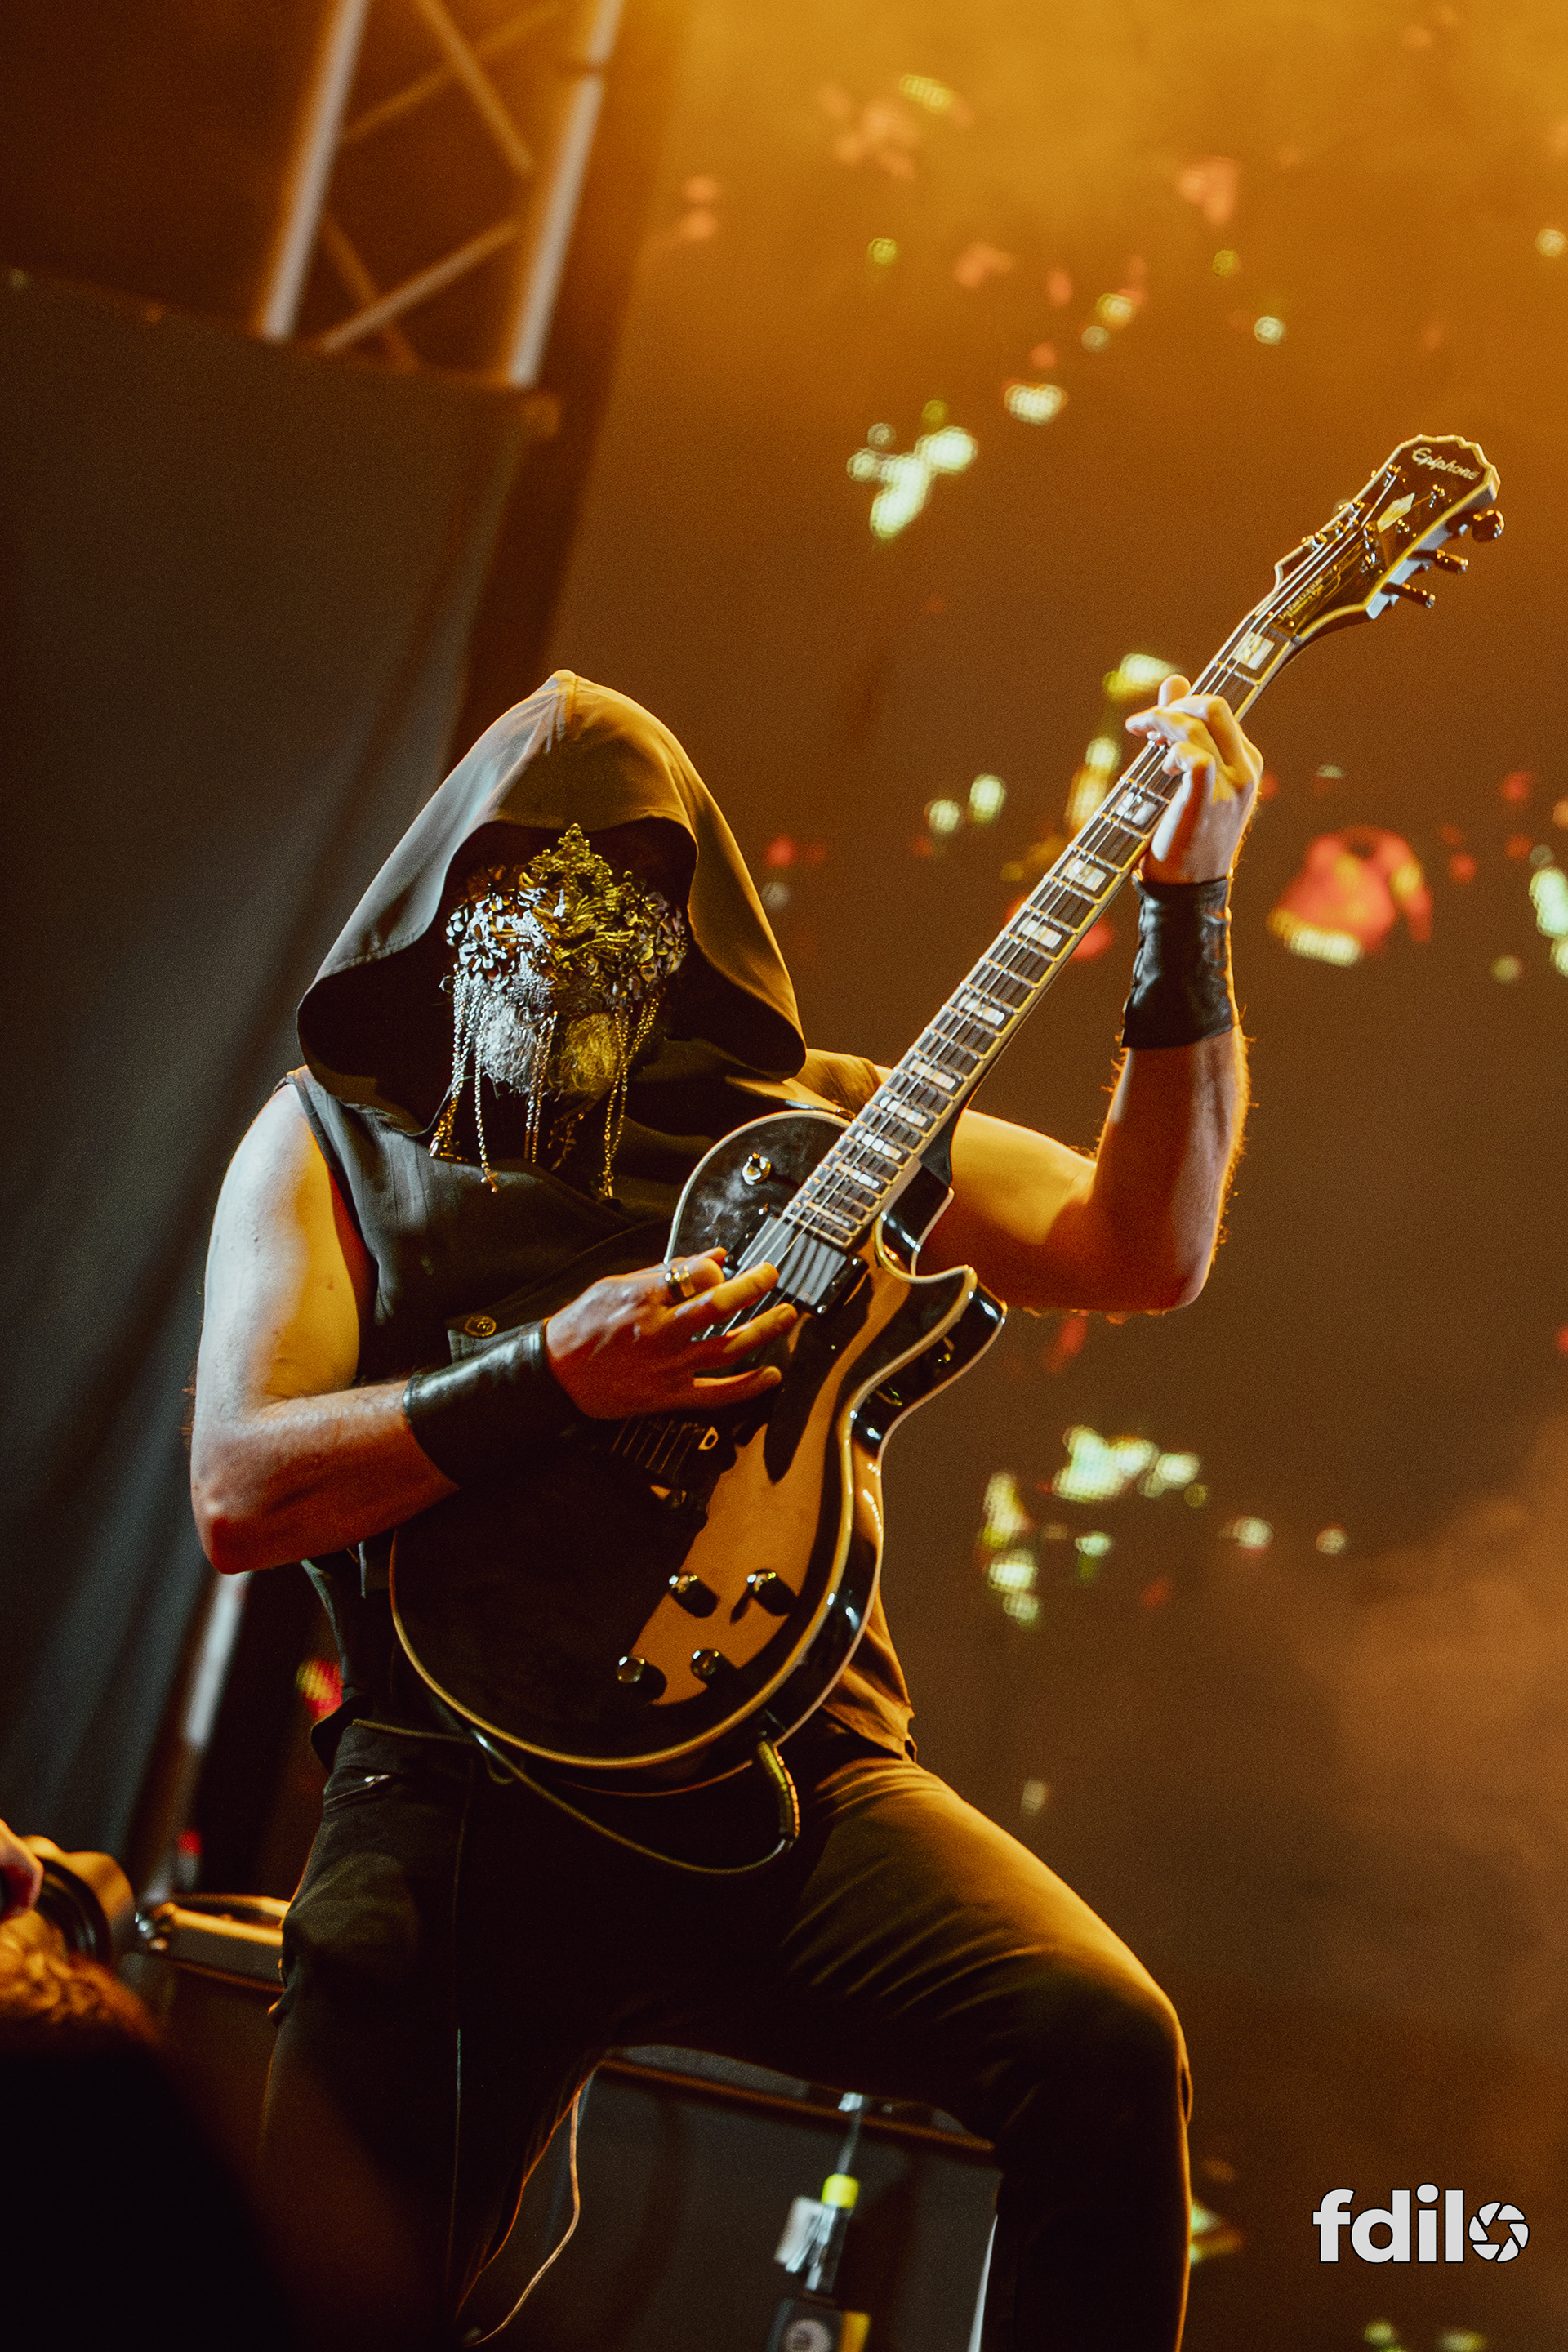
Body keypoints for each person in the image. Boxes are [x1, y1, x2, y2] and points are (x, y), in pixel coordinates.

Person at [189, 669, 1260, 2351]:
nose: (564, 926)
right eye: (515, 882)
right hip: (461, 1797)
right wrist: (555, 1372)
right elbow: (243, 1487)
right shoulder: (334, 1141)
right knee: (325, 2305)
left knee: (1101, 2040)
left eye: (620, 886)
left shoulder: (824, 1126)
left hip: (792, 1766)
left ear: (690, 919)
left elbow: (1140, 1248)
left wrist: (1185, 909)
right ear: (438, 905)